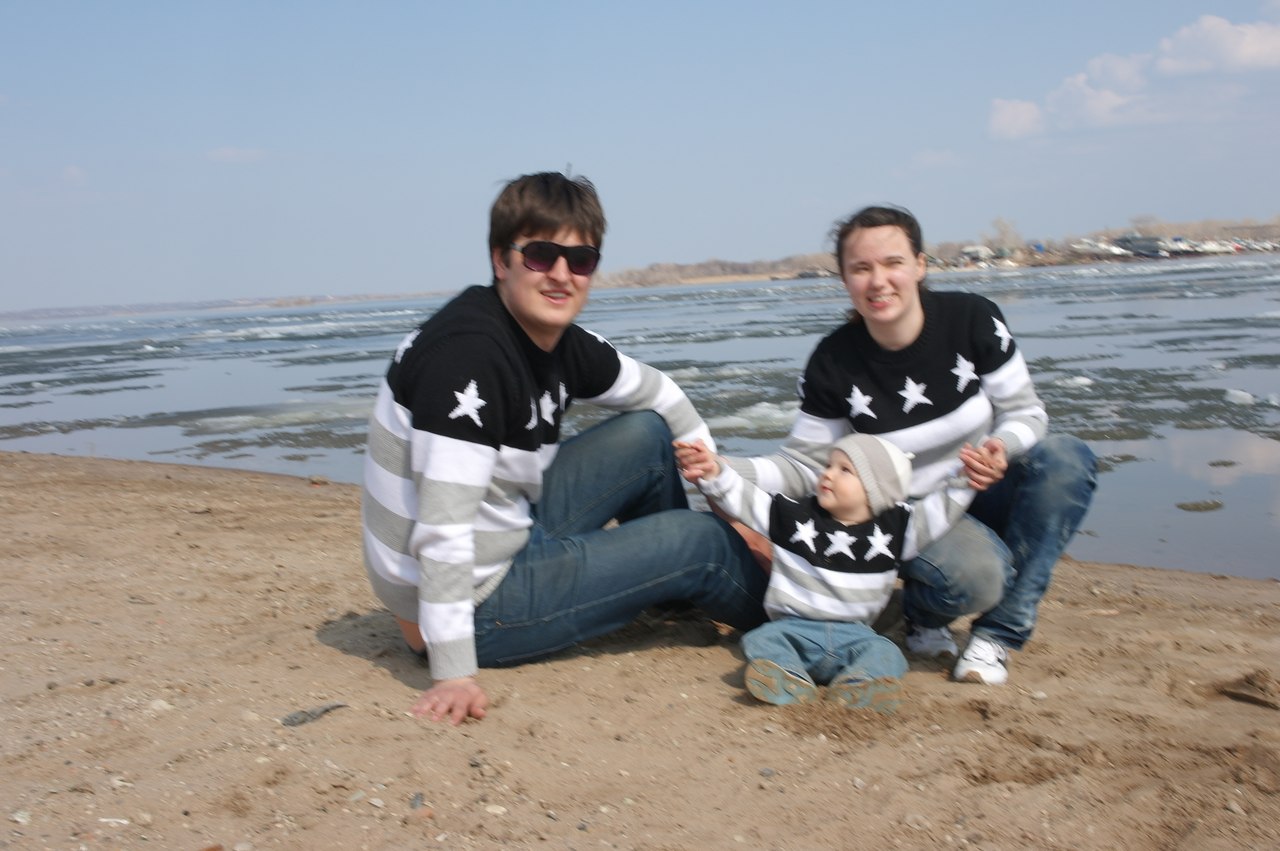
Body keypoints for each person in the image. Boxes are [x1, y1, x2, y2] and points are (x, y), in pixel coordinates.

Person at [361, 172, 767, 724]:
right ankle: (814, 610)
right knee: (702, 543)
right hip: (470, 606)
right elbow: (443, 527)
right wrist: (453, 671)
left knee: (647, 432)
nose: (561, 274)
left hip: (504, 536)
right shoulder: (466, 360)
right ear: (501, 260)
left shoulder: (557, 341)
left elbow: (664, 396)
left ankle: (677, 593)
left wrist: (726, 501)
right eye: (540, 255)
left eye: (580, 260)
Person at [719, 204, 1097, 686]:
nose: (878, 281)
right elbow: (803, 466)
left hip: (986, 483)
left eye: (892, 263)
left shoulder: (972, 320)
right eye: (861, 268)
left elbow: (1027, 412)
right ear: (845, 279)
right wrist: (720, 468)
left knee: (1066, 459)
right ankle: (922, 613)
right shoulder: (833, 362)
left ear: (919, 265)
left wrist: (1000, 447)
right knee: (980, 576)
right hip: (913, 517)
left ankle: (998, 635)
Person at [677, 433, 921, 713]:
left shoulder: (895, 530)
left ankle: (859, 683)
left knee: (887, 651)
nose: (828, 474)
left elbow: (939, 514)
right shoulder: (793, 516)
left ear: (875, 489)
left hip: (856, 635)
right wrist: (714, 471)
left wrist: (961, 485)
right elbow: (746, 498)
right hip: (794, 630)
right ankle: (789, 676)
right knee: (761, 639)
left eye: (844, 470)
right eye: (828, 465)